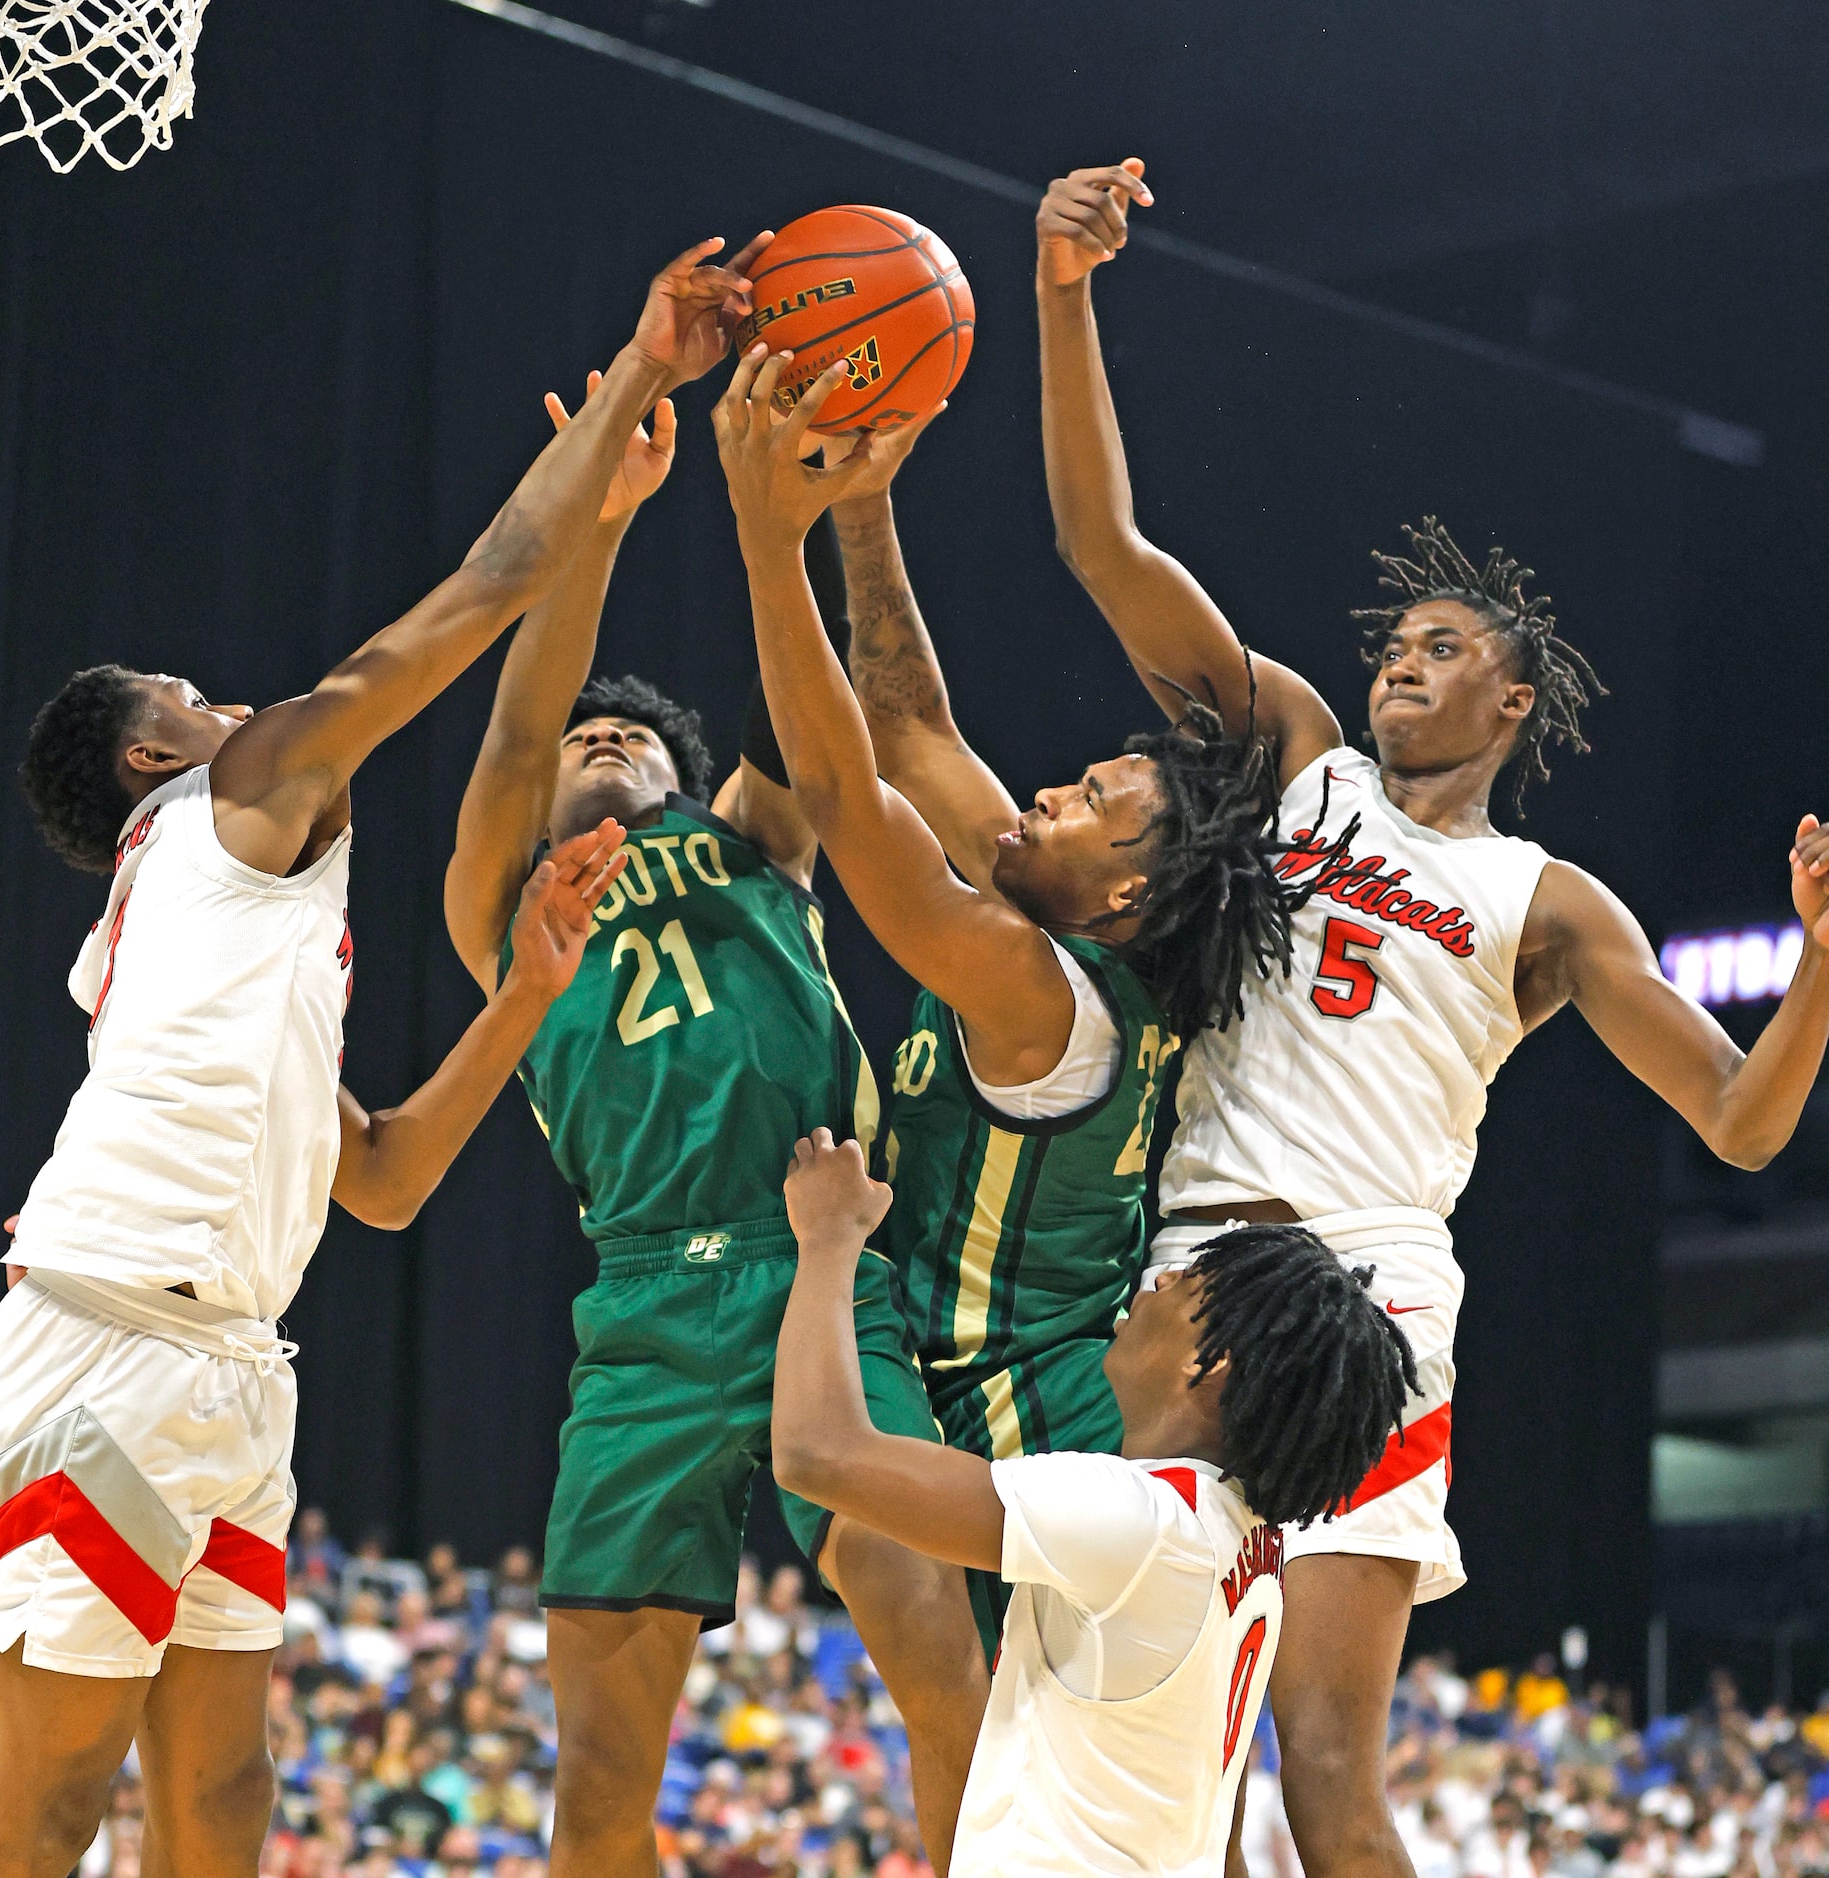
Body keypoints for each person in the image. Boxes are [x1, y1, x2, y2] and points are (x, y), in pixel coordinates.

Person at [1031, 154, 1829, 1878]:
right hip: (1197, 1261)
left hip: (1376, 1280)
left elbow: (1747, 1120)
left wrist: (1822, 959)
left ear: (1513, 695)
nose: (1401, 653)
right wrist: (1062, 292)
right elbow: (1107, 544)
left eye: (1442, 639)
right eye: (1395, 634)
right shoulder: (1298, 760)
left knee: (1324, 1760)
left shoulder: (1546, 899)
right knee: (1163, 1726)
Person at [0, 235, 759, 1878]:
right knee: (49, 1794)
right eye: (187, 691)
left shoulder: (203, 927)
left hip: (233, 1359)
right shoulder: (226, 802)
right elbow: (472, 597)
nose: (225, 694)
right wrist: (630, 381)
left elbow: (379, 1179)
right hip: (109, 1338)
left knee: (231, 1795)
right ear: (146, 751)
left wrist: (527, 990)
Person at [443, 359, 990, 1873]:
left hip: (813, 1259)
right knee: (600, 1784)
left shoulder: (752, 840)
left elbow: (810, 721)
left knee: (945, 1670)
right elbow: (513, 728)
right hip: (640, 1308)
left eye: (638, 746)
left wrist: (795, 518)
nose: (601, 744)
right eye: (585, 746)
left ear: (691, 784)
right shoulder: (499, 908)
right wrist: (603, 522)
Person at [710, 345, 1325, 1652]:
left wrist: (772, 537)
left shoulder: (1035, 986)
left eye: (1094, 803)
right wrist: (867, 505)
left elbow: (839, 780)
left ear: (1122, 900)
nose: (1051, 790)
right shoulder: (1074, 938)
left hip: (1019, 1394)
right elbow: (912, 726)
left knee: (1016, 1740)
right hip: (1007, 1372)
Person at [769, 1129, 1416, 1878]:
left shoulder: (1139, 1521)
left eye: (1188, 1286)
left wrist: (827, 1238)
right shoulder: (1252, 1547)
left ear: (1213, 1362)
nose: (1159, 1284)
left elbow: (817, 1452)